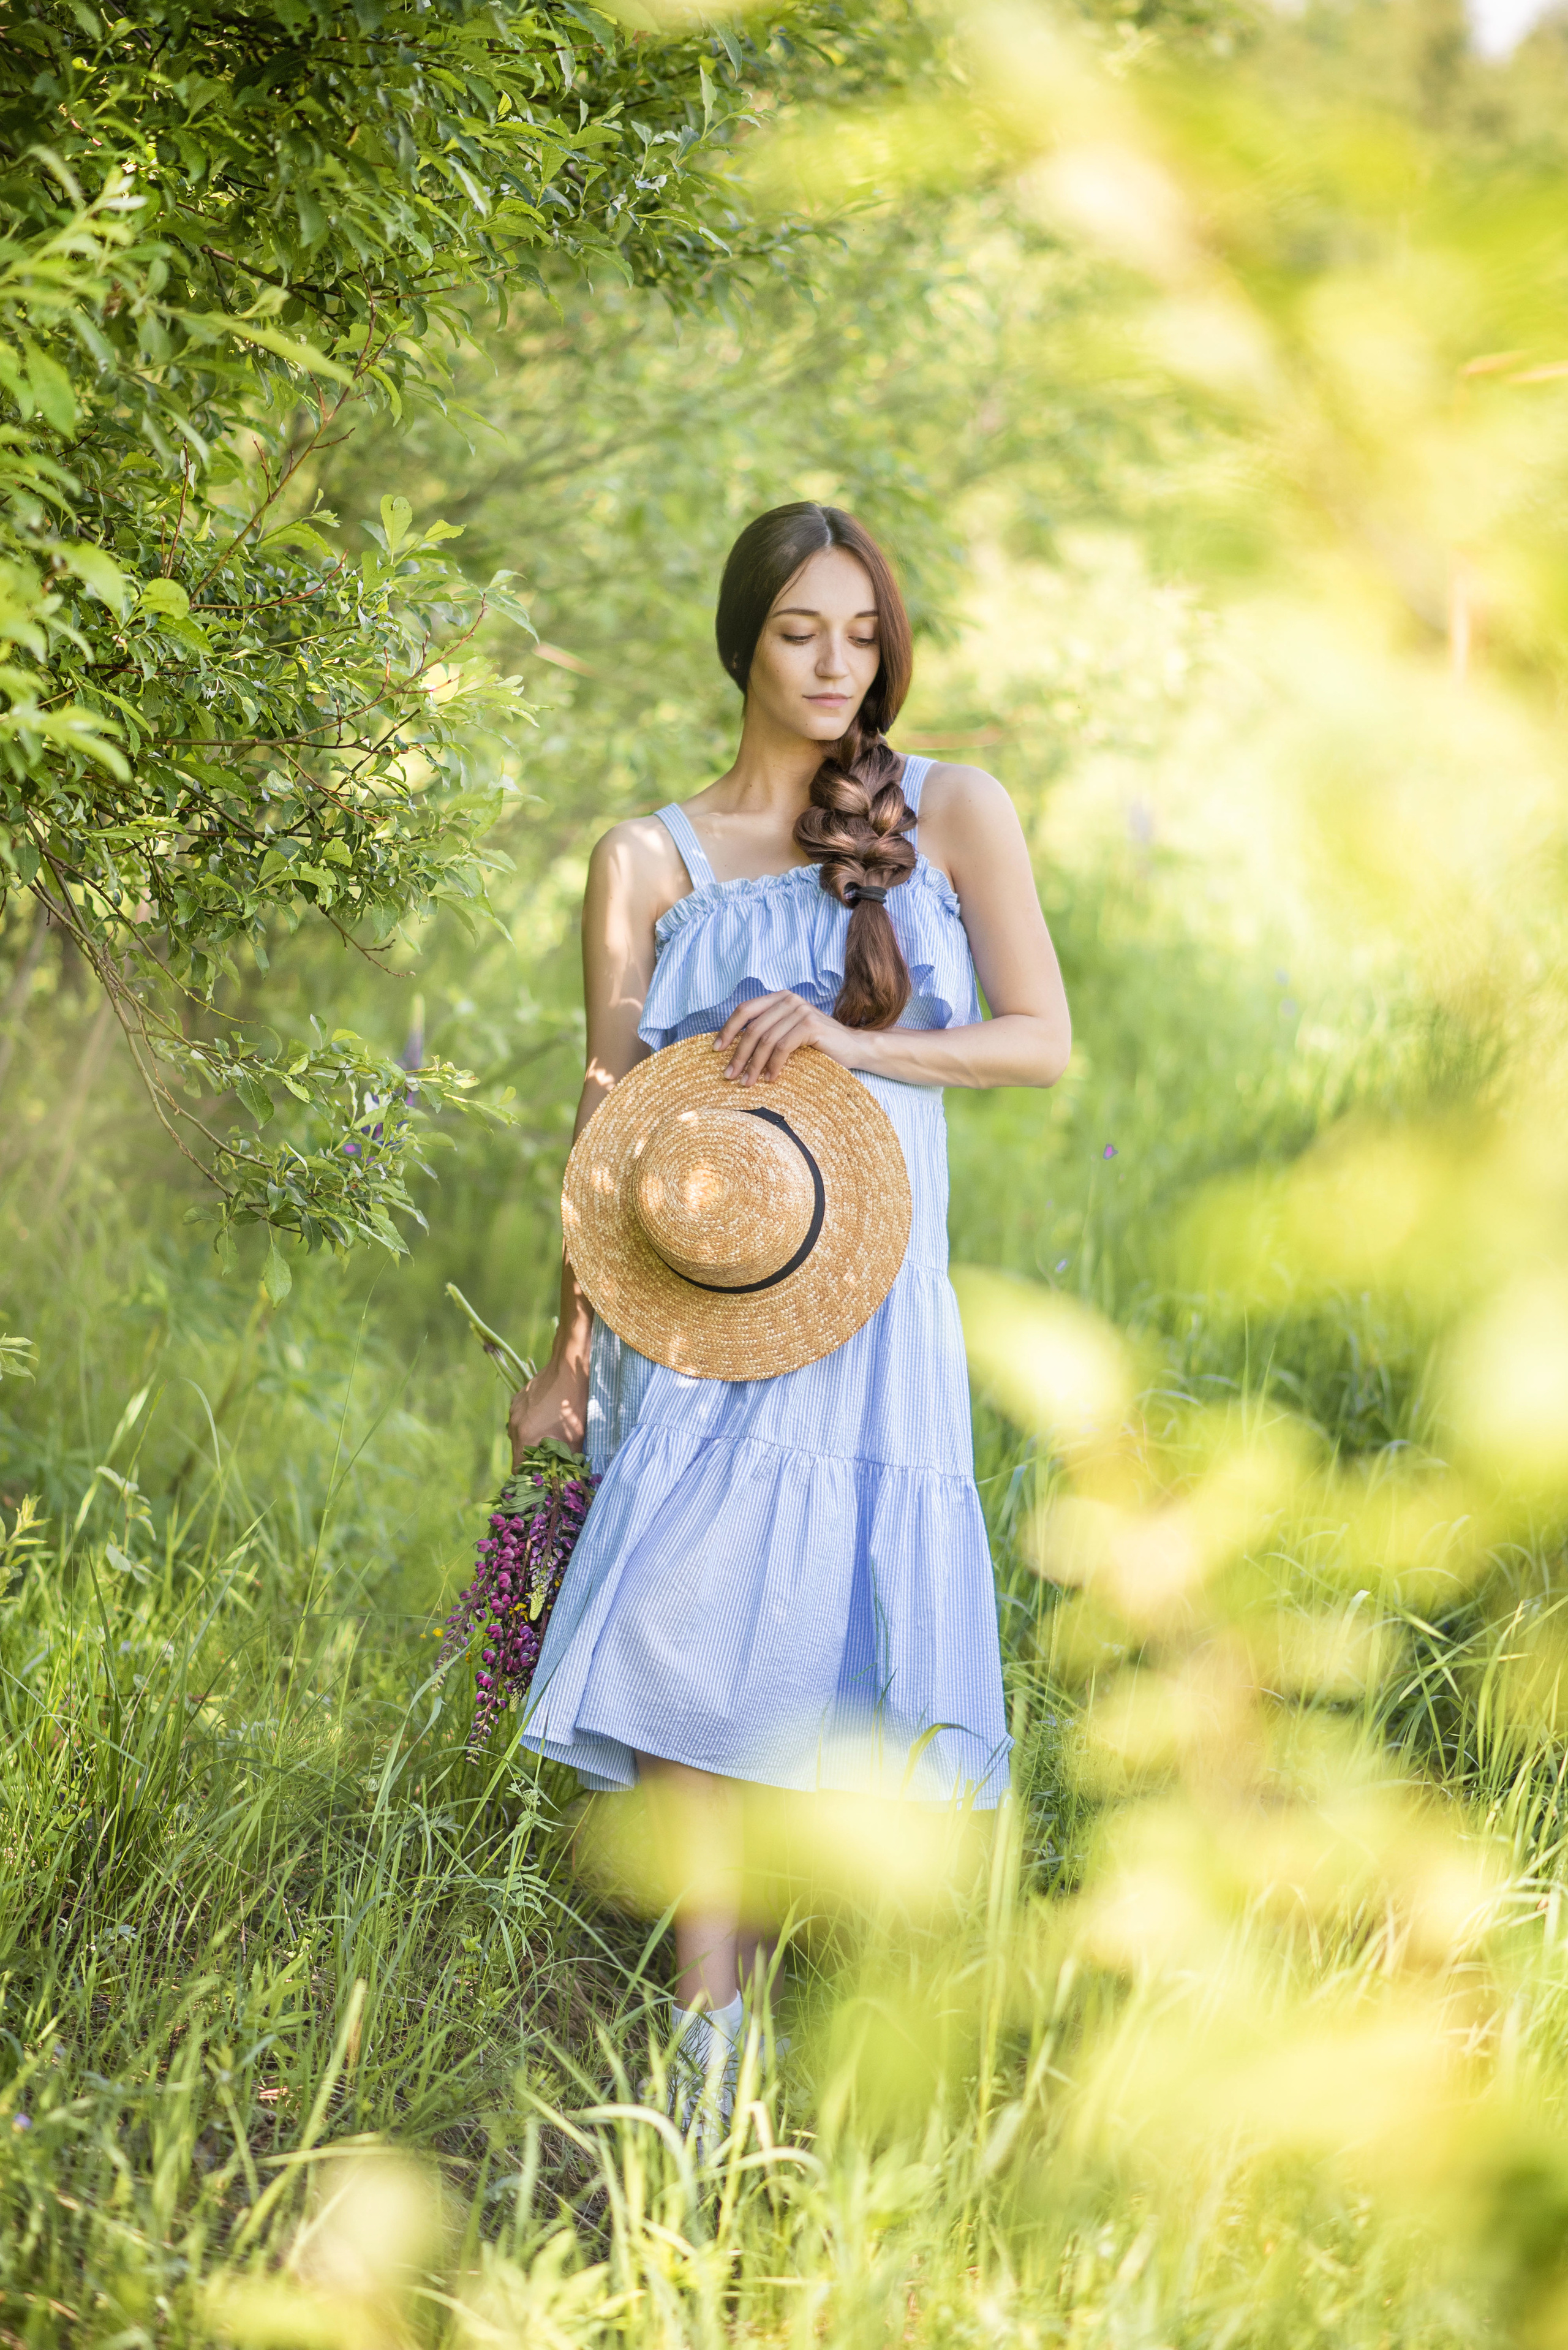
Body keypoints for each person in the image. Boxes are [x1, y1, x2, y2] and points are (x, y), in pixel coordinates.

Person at [508, 502, 1071, 2097]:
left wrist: (849, 1039)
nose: (837, 666)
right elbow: (607, 1120)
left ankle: (845, 1988)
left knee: (825, 1623)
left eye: (863, 635)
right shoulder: (647, 859)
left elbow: (1038, 1040)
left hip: (875, 1301)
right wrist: (569, 1349)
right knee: (674, 1614)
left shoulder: (950, 809)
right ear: (741, 641)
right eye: (800, 632)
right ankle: (713, 2026)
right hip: (700, 1297)